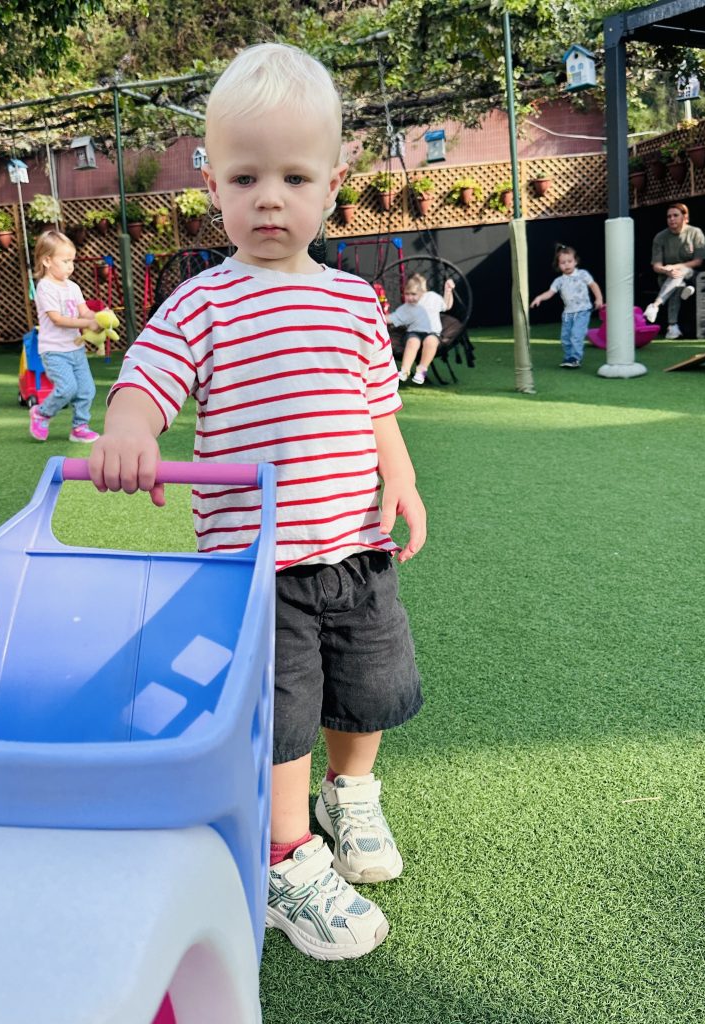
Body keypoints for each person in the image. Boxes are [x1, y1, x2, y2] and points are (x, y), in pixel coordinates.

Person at [87, 42, 426, 961]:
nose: (269, 199)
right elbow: (145, 382)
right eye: (245, 178)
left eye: (294, 177)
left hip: (357, 547)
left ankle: (350, 797)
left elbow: (377, 406)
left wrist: (399, 478)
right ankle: (284, 856)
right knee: (283, 713)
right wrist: (130, 431)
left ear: (333, 184)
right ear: (212, 185)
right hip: (258, 567)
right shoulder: (202, 303)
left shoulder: (356, 301)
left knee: (369, 689)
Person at [29, 229, 102, 443]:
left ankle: (80, 427)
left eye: (72, 261)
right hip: (54, 351)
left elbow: (84, 312)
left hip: (75, 348)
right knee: (67, 389)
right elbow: (58, 319)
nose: (70, 266)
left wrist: (99, 317)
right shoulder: (45, 288)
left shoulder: (73, 287)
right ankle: (41, 413)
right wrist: (88, 323)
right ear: (47, 261)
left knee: (87, 389)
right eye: (65, 261)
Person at [529, 243, 604, 368]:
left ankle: (575, 358)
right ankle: (568, 357)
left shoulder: (582, 274)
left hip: (582, 311)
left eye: (569, 261)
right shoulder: (559, 281)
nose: (567, 264)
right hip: (568, 314)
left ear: (575, 262)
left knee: (576, 335)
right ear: (558, 265)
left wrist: (599, 298)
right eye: (563, 263)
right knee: (565, 337)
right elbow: (550, 292)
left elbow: (593, 285)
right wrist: (539, 298)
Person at [644, 203, 705, 339]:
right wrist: (666, 270)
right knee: (678, 285)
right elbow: (656, 266)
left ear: (685, 217)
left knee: (682, 271)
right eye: (669, 216)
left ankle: (655, 305)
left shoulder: (695, 232)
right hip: (667, 277)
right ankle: (672, 328)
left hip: (692, 275)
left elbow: (698, 261)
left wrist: (675, 267)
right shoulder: (660, 237)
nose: (671, 219)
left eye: (675, 215)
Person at [386, 274, 455, 384]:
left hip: (432, 333)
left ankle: (421, 371)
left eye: (413, 294)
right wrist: (377, 315)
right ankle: (404, 370)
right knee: (412, 342)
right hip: (414, 332)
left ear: (422, 292)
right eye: (407, 294)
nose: (410, 297)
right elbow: (391, 318)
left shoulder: (432, 298)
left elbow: (447, 306)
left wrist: (448, 291)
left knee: (431, 341)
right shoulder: (406, 308)